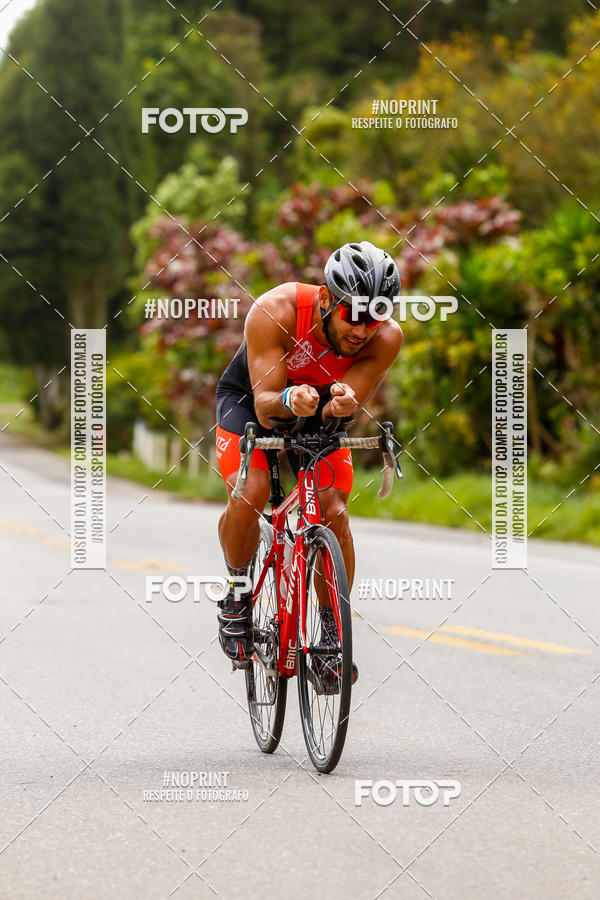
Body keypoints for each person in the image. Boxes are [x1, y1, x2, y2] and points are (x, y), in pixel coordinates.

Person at [214, 240, 403, 680]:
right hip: (251, 401)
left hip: (317, 412)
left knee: (333, 509)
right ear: (325, 299)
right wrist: (287, 397)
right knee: (253, 492)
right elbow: (263, 405)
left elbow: (349, 404)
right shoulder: (275, 310)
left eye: (374, 317)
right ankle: (238, 595)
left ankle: (331, 637)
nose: (362, 330)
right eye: (352, 314)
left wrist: (340, 406)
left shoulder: (386, 338)